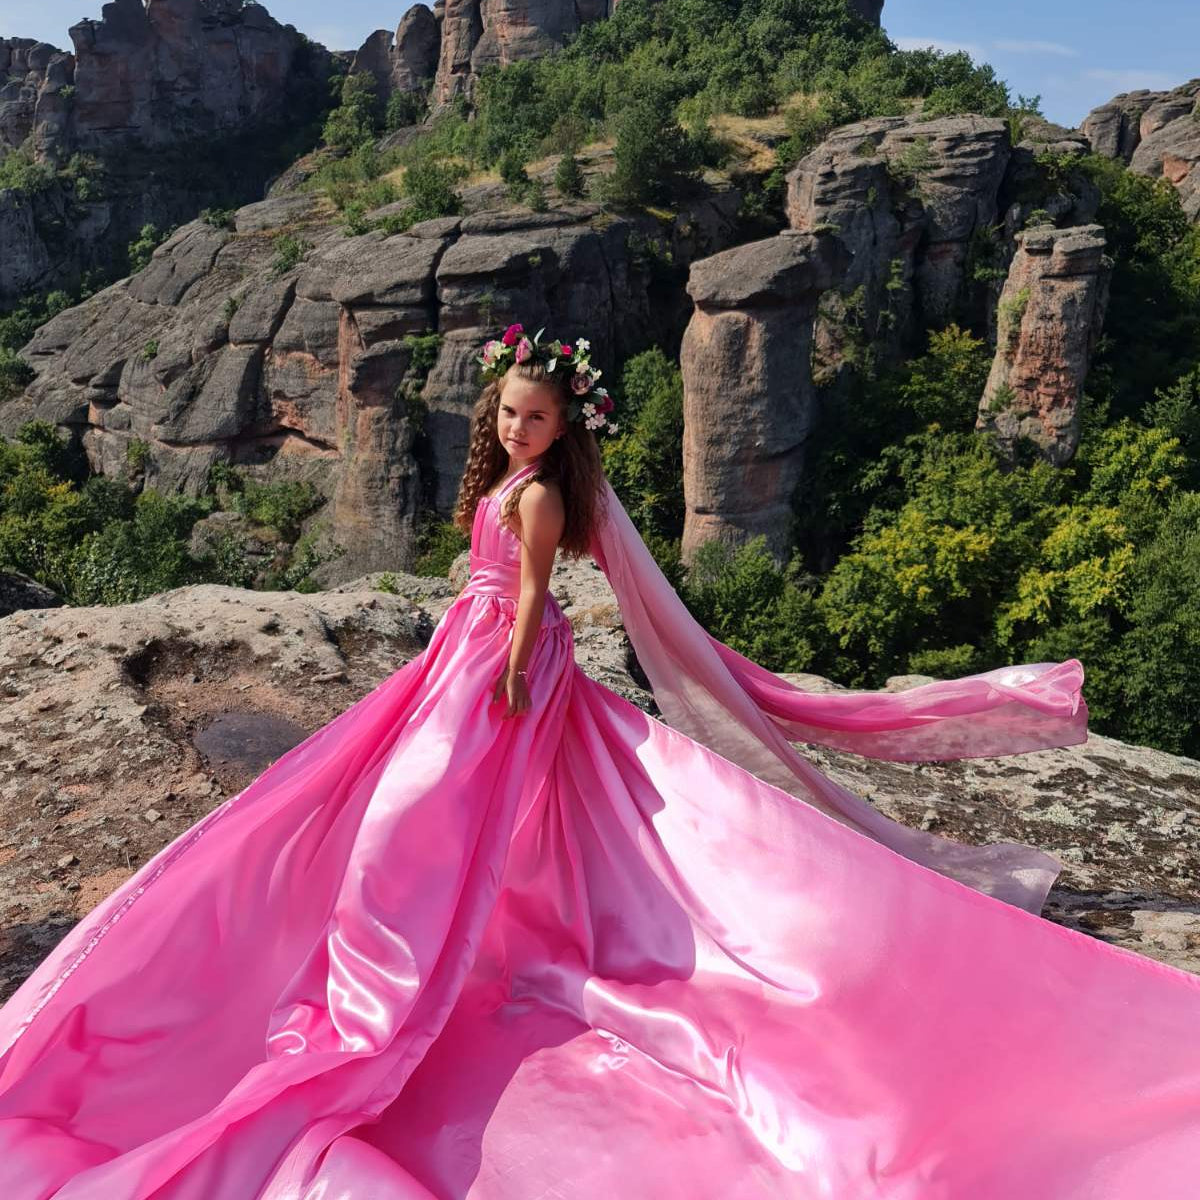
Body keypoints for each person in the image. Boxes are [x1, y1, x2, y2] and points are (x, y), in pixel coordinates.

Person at [0, 322, 1198, 1199]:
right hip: (469, 656)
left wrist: (513, 677)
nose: (514, 428)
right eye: (506, 413)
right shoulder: (519, 481)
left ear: (566, 422)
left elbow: (527, 600)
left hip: (496, 668)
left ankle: (408, 960)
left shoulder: (534, 504)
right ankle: (460, 925)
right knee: (464, 808)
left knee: (430, 809)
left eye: (533, 415)